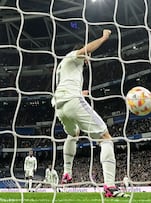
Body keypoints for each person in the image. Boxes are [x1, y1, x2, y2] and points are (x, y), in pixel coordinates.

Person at [52, 29, 129, 198]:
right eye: (88, 57)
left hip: (60, 106)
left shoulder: (64, 66)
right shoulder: (74, 56)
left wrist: (81, 94)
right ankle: (109, 186)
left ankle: (67, 173)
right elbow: (85, 50)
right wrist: (104, 37)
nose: (89, 60)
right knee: (106, 138)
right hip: (72, 101)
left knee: (73, 134)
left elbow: (66, 83)